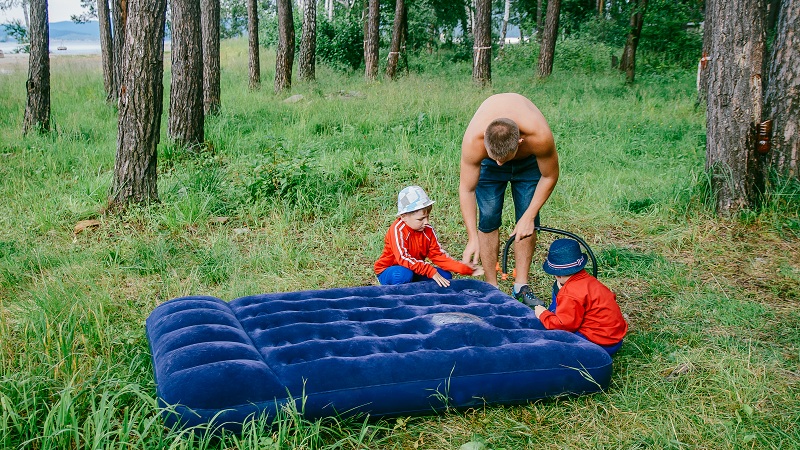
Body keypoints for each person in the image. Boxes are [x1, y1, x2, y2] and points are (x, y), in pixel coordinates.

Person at [459, 92, 560, 305]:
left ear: (520, 142)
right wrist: (472, 237)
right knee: (488, 215)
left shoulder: (538, 136)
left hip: (528, 163)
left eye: (503, 160)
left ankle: (521, 286)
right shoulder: (474, 141)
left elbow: (549, 176)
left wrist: (529, 216)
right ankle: (491, 287)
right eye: (495, 158)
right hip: (489, 159)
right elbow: (467, 189)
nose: (500, 164)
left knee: (527, 216)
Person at [375, 186, 484, 287]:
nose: (426, 222)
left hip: (414, 269)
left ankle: (415, 289)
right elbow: (403, 258)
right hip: (390, 271)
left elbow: (438, 256)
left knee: (446, 276)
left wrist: (465, 268)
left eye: (427, 217)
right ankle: (397, 294)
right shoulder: (397, 230)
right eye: (421, 219)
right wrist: (430, 271)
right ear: (404, 216)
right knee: (402, 275)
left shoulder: (428, 230)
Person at [533, 239, 628, 356]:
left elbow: (565, 326)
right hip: (615, 339)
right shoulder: (589, 280)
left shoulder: (570, 293)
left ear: (557, 275)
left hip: (599, 344)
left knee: (552, 341)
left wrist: (543, 314)